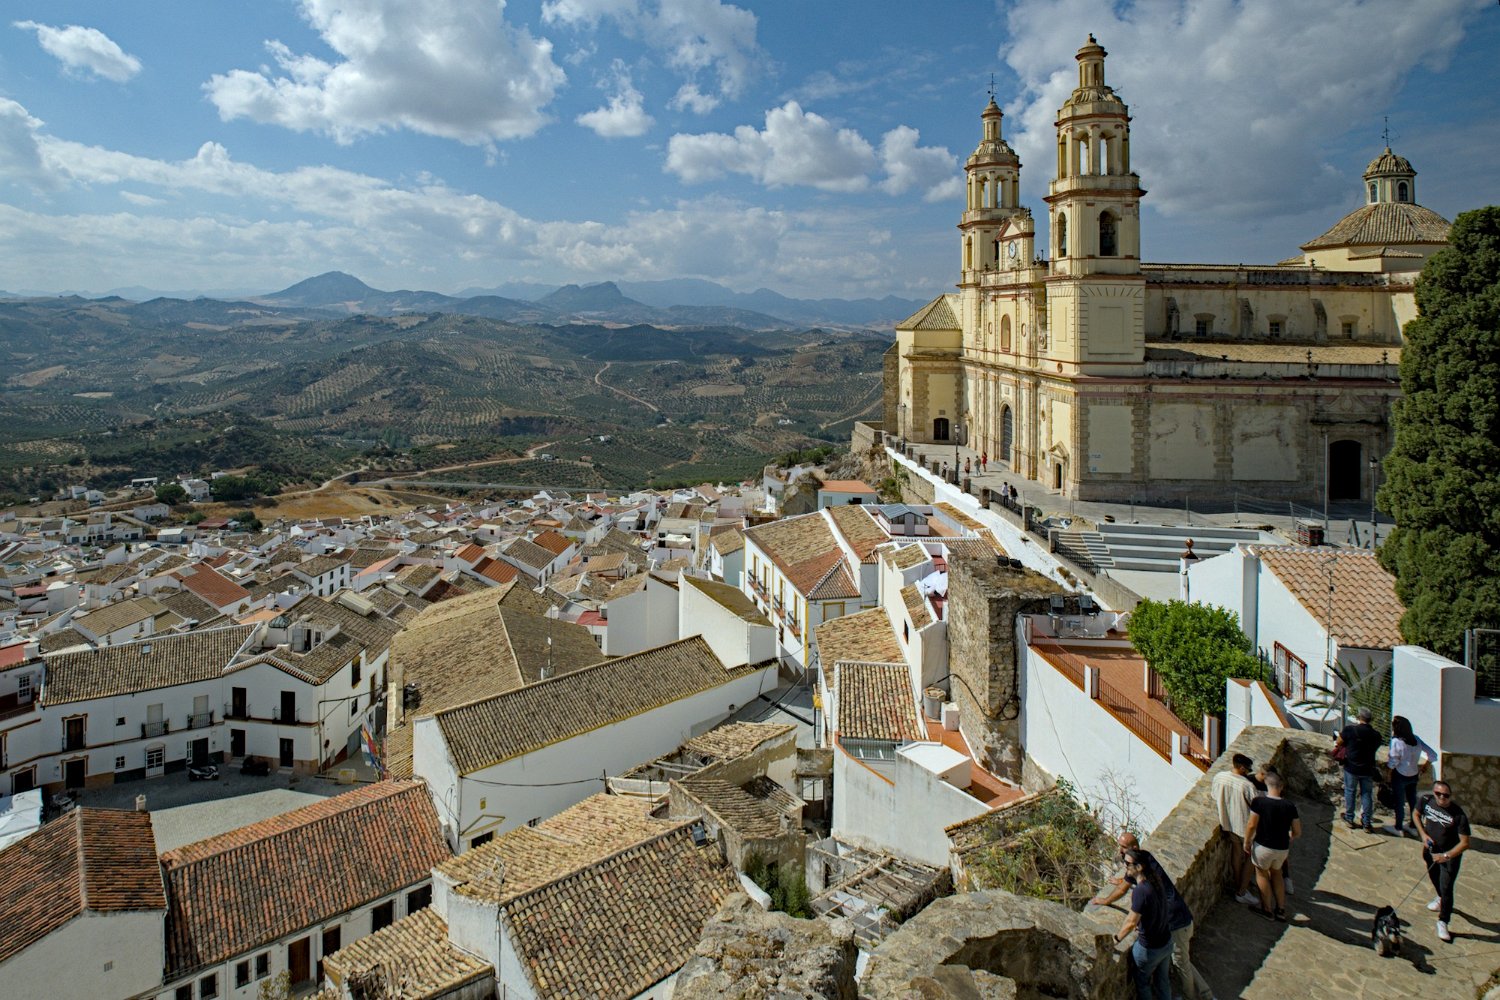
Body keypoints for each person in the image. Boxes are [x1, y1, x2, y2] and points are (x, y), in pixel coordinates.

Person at [1092, 834, 1211, 1000]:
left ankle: (1202, 996)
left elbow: (1125, 897)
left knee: (1181, 964)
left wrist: (1105, 901)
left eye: (1123, 848)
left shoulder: (1143, 883)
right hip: (1173, 927)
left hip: (1176, 924)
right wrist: (1121, 881)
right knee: (1173, 967)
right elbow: (1126, 884)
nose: (1120, 850)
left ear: (1134, 851)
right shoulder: (1145, 861)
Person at [1113, 847, 1175, 1000]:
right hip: (1166, 942)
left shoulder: (1141, 890)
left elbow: (1130, 921)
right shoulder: (1155, 881)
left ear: (1139, 867)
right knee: (1163, 981)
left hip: (1149, 949)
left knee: (1143, 983)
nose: (1125, 866)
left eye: (1127, 864)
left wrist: (1116, 939)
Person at [1414, 779, 1471, 943]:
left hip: (1448, 857)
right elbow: (1416, 815)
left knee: (1447, 887)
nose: (1441, 798)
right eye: (1438, 794)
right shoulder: (1426, 801)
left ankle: (1443, 921)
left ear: (1450, 796)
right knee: (1433, 877)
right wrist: (1423, 835)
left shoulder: (1458, 815)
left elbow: (1465, 843)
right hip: (1431, 851)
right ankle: (1439, 898)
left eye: (1445, 795)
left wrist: (1445, 856)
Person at [1243, 772, 1301, 921]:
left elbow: (1251, 825)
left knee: (1261, 874)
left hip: (1263, 846)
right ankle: (1281, 910)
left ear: (1267, 785)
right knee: (1277, 874)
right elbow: (1297, 831)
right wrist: (1289, 836)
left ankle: (1267, 910)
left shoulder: (1259, 802)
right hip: (1282, 848)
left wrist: (1247, 841)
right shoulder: (1290, 806)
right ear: (1281, 787)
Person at [1211, 754, 1258, 904]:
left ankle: (1238, 882)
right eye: (1247, 769)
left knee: (1237, 854)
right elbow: (1257, 807)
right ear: (1242, 768)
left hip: (1228, 823)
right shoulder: (1247, 785)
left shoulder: (1220, 777)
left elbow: (1214, 795)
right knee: (1251, 858)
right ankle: (1242, 890)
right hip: (1245, 827)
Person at [1385, 715, 1436, 837]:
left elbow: (1393, 762)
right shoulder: (1416, 740)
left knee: (1399, 802)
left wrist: (1388, 772)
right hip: (1413, 774)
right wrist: (1425, 765)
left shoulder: (1397, 742)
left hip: (1400, 775)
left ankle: (1398, 827)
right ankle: (1413, 825)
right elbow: (1433, 754)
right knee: (1413, 801)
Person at [1338, 706, 1383, 831]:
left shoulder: (1350, 730)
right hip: (1368, 768)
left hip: (1351, 767)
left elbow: (1339, 742)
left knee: (1350, 792)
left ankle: (1349, 818)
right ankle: (1367, 822)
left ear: (1359, 717)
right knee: (1367, 794)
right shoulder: (1376, 735)